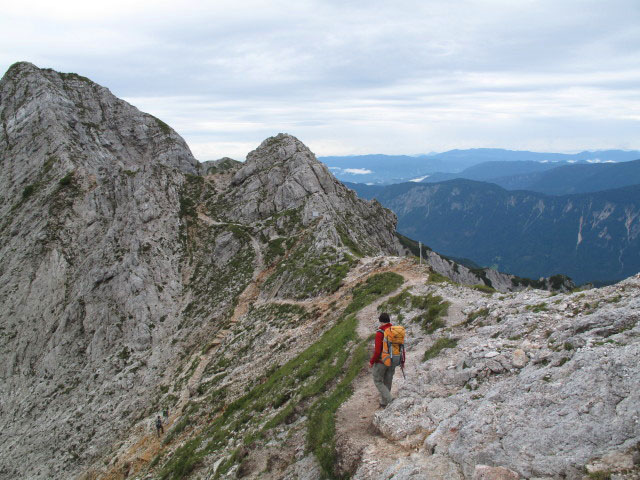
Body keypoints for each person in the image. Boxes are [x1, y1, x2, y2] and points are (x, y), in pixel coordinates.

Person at [368, 312, 402, 407]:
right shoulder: (395, 330)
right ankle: (384, 402)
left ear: (380, 321)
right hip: (393, 359)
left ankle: (390, 400)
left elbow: (378, 351)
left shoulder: (380, 333)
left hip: (382, 361)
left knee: (378, 381)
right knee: (388, 380)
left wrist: (372, 361)